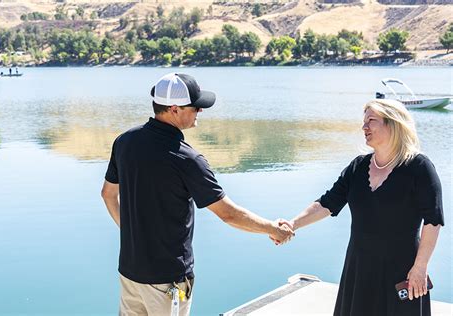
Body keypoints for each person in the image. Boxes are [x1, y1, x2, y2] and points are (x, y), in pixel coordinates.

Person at [101, 73, 293, 316]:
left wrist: (132, 233)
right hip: (167, 282)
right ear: (174, 109)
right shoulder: (187, 159)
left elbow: (108, 194)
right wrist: (273, 229)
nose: (200, 112)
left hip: (130, 273)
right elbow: (228, 214)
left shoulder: (125, 142)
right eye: (196, 107)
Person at [280, 99, 443, 316]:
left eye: (371, 121)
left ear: (392, 124)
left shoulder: (419, 167)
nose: (364, 127)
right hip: (359, 268)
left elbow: (433, 220)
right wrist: (293, 224)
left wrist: (420, 267)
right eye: (364, 122)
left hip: (402, 270)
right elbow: (327, 204)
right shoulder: (357, 167)